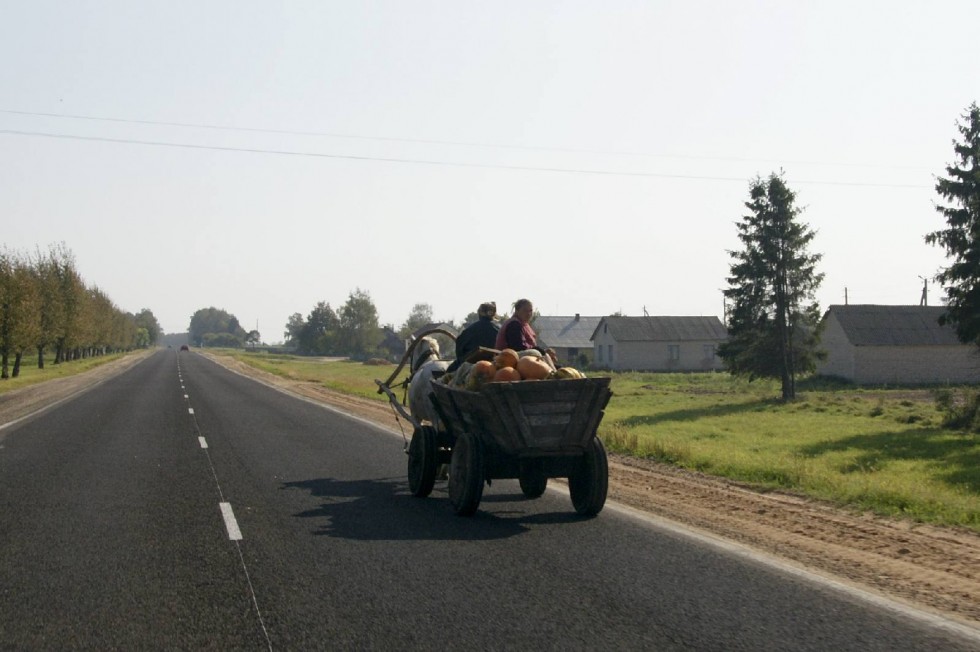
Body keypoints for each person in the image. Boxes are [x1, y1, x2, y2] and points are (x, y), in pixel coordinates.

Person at [447, 302, 500, 372]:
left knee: (450, 370)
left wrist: (462, 358)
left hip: (469, 365)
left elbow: (459, 347)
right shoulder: (498, 330)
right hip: (493, 365)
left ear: (479, 313)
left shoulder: (470, 330)